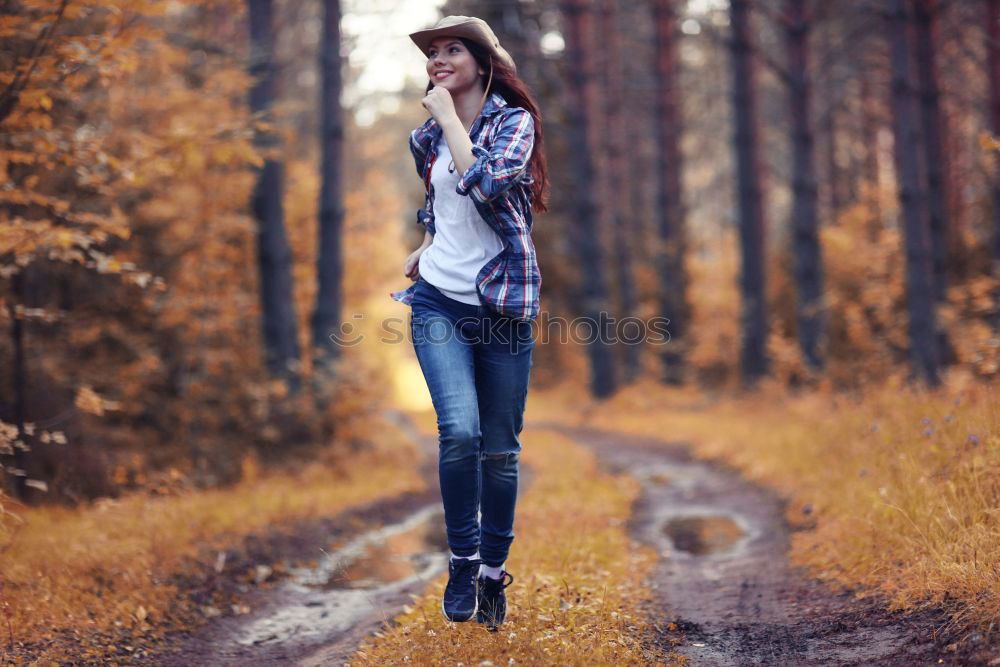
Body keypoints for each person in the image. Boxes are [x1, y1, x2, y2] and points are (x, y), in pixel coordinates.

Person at [388, 15, 549, 631]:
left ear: (481, 62)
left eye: (451, 49)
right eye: (432, 52)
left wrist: (451, 118)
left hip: (504, 306)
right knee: (459, 432)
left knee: (501, 452)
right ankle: (461, 558)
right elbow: (441, 203)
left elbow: (484, 184)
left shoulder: (515, 123)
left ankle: (490, 574)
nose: (437, 59)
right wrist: (425, 243)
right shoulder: (424, 137)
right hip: (438, 302)